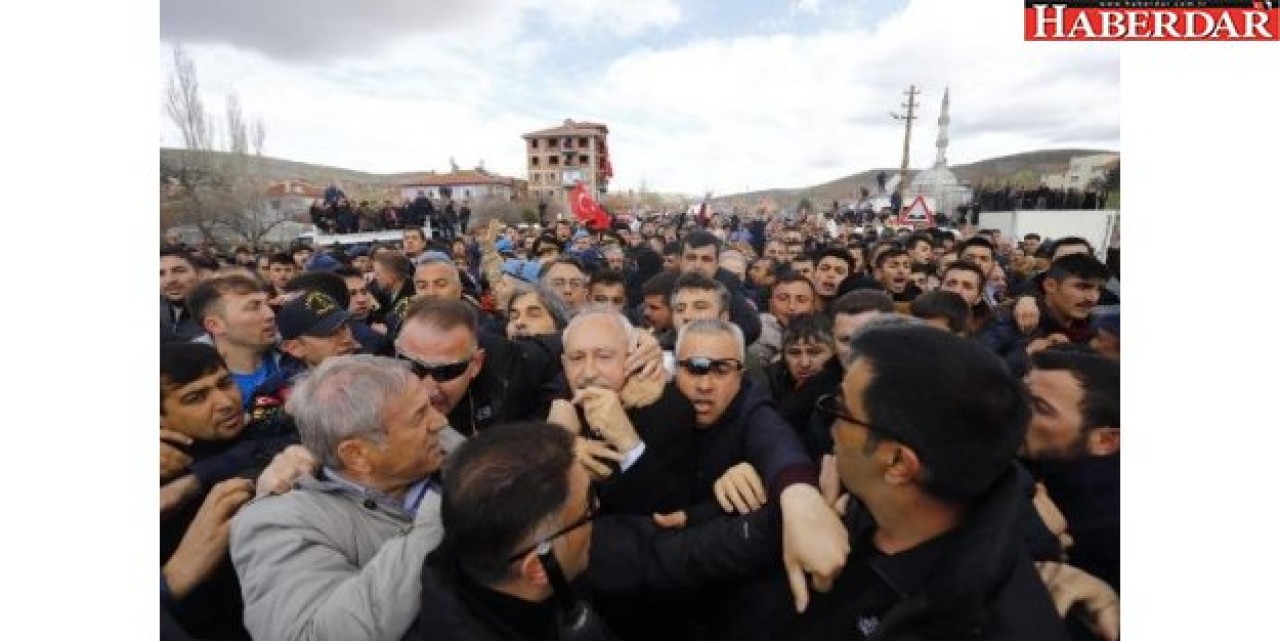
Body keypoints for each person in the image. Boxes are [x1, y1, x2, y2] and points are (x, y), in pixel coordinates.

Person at [794, 325, 1070, 640]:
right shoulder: (865, 509)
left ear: (898, 463)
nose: (831, 425)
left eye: (842, 409)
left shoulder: (980, 620)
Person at [230, 355, 449, 641]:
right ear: (356, 454)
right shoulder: (278, 524)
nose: (441, 422)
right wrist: (445, 514)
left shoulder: (440, 448)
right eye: (420, 416)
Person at [160, 342, 297, 640]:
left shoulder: (261, 427)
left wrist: (197, 478)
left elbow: (303, 437)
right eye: (195, 397)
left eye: (225, 383)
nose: (224, 402)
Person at [1022, 348, 1120, 595]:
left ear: (1104, 441)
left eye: (1039, 407)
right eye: (1019, 394)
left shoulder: (1107, 533)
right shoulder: (1041, 468)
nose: (1014, 409)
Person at [186, 275, 282, 407]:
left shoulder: (298, 358)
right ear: (215, 325)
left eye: (267, 304)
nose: (270, 314)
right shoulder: (187, 385)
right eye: (253, 307)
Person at [162, 246, 205, 343]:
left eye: (179, 271)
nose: (170, 280)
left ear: (199, 275)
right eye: (161, 274)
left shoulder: (221, 315)